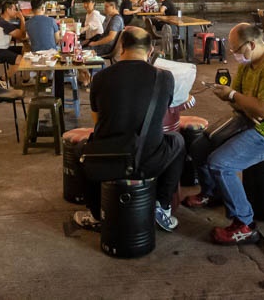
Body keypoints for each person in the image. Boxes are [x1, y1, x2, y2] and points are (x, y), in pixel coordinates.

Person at [183, 23, 264, 245]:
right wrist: (235, 98)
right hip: (246, 121)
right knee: (199, 146)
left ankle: (245, 223)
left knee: (220, 164)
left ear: (251, 44)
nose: (233, 55)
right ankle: (211, 192)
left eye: (235, 49)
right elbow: (241, 101)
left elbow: (263, 110)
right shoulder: (249, 63)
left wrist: (235, 96)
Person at [73, 28, 185, 233]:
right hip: (149, 161)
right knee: (177, 141)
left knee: (81, 148)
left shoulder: (100, 77)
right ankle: (162, 206)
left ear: (121, 47)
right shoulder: (165, 78)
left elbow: (98, 123)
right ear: (151, 50)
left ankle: (96, 214)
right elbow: (162, 114)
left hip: (107, 162)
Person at [0, 1, 26, 66]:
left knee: (24, 49)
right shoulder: (3, 23)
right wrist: (22, 19)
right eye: (15, 9)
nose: (17, 12)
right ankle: (3, 76)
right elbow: (22, 36)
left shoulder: (0, 20)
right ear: (8, 10)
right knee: (21, 60)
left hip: (1, 48)